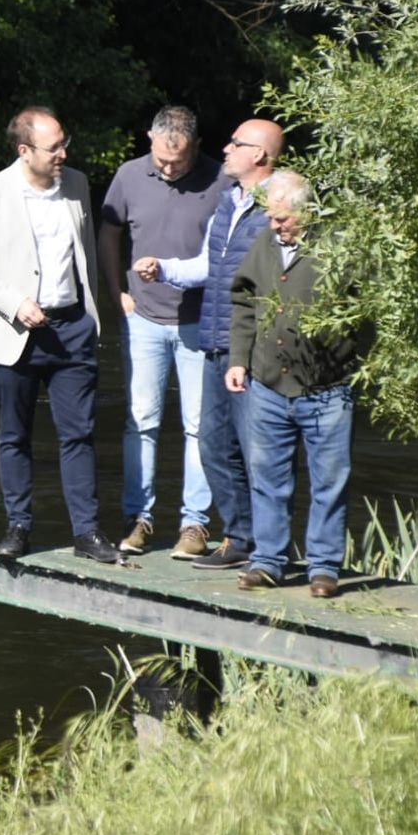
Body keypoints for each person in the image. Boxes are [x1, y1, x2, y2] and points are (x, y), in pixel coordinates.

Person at [0, 106, 116, 563]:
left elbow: (84, 254)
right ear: (24, 151)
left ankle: (87, 533)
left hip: (72, 329)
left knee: (79, 434)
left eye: (65, 143)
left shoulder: (78, 185)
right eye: (54, 147)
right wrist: (14, 303)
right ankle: (19, 527)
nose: (63, 153)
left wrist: (89, 315)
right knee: (14, 436)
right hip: (15, 330)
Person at [132, 118, 283, 570]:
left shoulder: (280, 205)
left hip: (257, 351)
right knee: (215, 446)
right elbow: (208, 267)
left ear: (259, 155)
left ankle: (269, 549)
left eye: (236, 143)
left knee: (260, 452)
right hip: (217, 340)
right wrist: (165, 269)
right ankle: (240, 539)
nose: (226, 148)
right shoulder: (228, 201)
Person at [98, 106, 224, 559]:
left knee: (198, 427)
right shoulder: (130, 175)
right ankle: (140, 519)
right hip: (143, 318)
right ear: (149, 139)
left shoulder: (221, 179)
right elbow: (109, 233)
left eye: (179, 161)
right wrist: (117, 293)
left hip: (198, 321)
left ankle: (194, 525)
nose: (169, 169)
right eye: (162, 161)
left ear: (197, 146)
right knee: (141, 421)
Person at [226, 172, 360, 597]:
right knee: (267, 478)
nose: (275, 226)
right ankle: (268, 562)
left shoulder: (340, 243)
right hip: (267, 384)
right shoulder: (267, 243)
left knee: (330, 481)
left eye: (283, 219)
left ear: (306, 211)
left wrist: (356, 364)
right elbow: (245, 300)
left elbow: (368, 310)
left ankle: (323, 568)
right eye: (271, 217)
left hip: (328, 388)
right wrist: (238, 359)